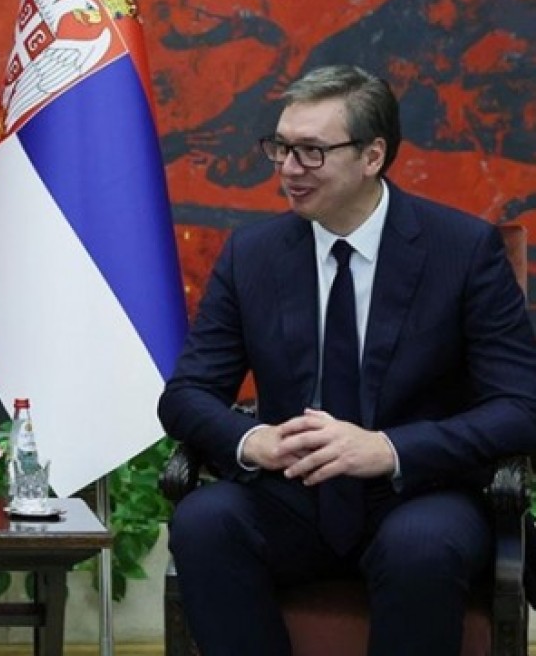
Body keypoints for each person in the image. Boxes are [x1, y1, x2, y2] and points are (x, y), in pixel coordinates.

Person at [158, 64, 536, 655]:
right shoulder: (252, 255)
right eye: (280, 147)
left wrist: (388, 449)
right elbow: (185, 396)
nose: (288, 168)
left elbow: (520, 406)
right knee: (206, 521)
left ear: (371, 156)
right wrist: (253, 440)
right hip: (292, 494)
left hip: (419, 492)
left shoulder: (462, 251)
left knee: (422, 545)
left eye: (311, 151)